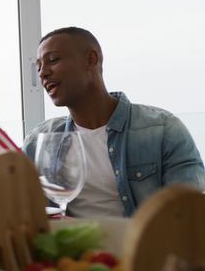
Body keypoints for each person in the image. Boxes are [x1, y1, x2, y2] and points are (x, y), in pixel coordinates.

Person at [23, 27, 205, 217]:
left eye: (53, 60)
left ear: (90, 60)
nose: (43, 73)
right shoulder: (40, 141)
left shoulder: (163, 130)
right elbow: (23, 212)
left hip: (145, 246)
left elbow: (188, 215)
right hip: (72, 246)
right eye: (38, 67)